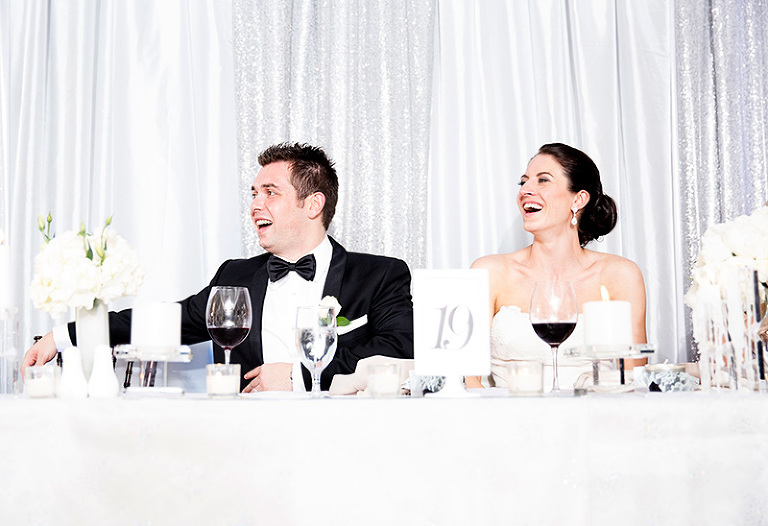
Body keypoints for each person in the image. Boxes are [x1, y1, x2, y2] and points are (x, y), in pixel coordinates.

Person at [22, 142, 414, 392]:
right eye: (254, 193)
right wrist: (63, 335)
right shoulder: (235, 276)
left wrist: (297, 375)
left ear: (313, 204)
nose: (255, 205)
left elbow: (397, 349)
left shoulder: (380, 275)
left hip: (342, 443)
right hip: (245, 444)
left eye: (271, 193)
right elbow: (166, 322)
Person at [466, 143, 647, 389]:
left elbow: (634, 378)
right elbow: (470, 381)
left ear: (578, 199)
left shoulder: (621, 275)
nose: (525, 190)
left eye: (543, 180)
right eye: (523, 182)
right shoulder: (489, 272)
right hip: (509, 410)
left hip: (595, 410)